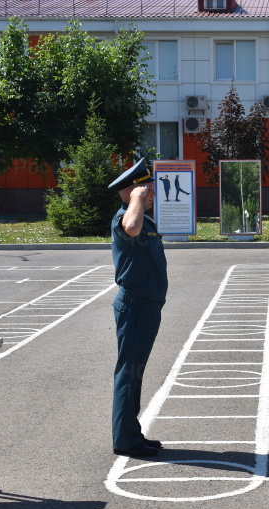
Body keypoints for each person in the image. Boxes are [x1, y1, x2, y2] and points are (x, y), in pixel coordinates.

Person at [108, 158, 168, 457]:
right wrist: (135, 198)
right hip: (135, 306)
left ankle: (132, 432)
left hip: (147, 306)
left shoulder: (146, 219)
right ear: (136, 191)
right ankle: (125, 440)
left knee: (135, 372)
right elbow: (131, 227)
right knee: (128, 373)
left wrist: (139, 201)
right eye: (148, 188)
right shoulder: (126, 218)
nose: (153, 193)